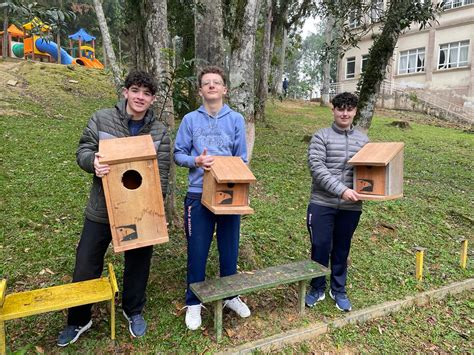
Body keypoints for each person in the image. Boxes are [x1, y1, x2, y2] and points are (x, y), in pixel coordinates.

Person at [57, 71, 171, 346]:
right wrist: (92, 162)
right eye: (135, 90)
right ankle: (79, 319)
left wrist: (155, 210)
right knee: (86, 262)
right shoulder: (102, 118)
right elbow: (83, 149)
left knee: (139, 262)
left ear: (152, 99)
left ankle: (133, 310)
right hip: (102, 208)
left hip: (140, 210)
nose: (140, 97)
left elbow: (163, 171)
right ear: (125, 92)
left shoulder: (159, 131)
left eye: (146, 93)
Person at [174, 65, 251, 330]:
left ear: (224, 89)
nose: (211, 86)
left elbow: (242, 158)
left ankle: (230, 294)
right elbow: (178, 154)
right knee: (197, 250)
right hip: (198, 195)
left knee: (229, 248)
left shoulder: (235, 120)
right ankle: (194, 302)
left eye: (216, 82)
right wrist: (196, 160)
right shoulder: (189, 120)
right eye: (206, 83)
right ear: (200, 90)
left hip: (229, 194)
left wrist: (226, 169)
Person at [304, 92, 369, 312]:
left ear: (355, 111)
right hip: (322, 203)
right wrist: (342, 191)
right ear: (333, 110)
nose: (344, 113)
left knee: (342, 249)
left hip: (351, 207)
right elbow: (317, 169)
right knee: (320, 246)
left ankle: (338, 289)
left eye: (349, 109)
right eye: (340, 108)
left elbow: (370, 170)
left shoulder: (363, 140)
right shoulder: (320, 136)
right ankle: (317, 287)